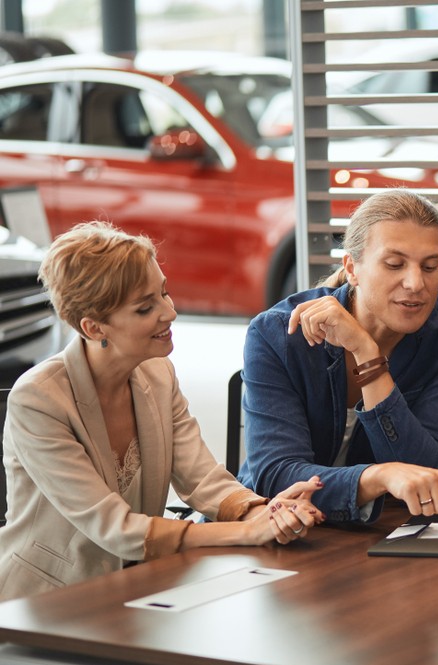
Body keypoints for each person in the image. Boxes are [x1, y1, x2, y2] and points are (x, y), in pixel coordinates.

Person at [0, 222, 325, 602]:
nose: (169, 312)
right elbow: (115, 529)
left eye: (164, 293)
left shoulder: (158, 372)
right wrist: (247, 531)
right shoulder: (38, 400)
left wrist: (263, 512)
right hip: (43, 603)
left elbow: (202, 478)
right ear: (93, 327)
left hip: (134, 588)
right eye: (145, 307)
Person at [238, 189, 438, 525]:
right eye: (394, 264)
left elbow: (435, 474)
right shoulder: (278, 334)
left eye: (431, 266)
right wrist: (379, 478)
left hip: (383, 537)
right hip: (278, 532)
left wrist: (367, 354)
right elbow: (275, 475)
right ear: (352, 268)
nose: (415, 283)